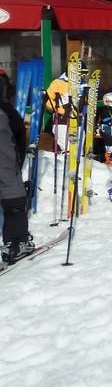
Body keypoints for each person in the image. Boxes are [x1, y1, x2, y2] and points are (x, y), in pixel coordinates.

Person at [1, 72, 33, 264]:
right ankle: (16, 243)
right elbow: (21, 141)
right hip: (5, 167)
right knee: (15, 203)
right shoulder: (8, 113)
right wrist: (17, 166)